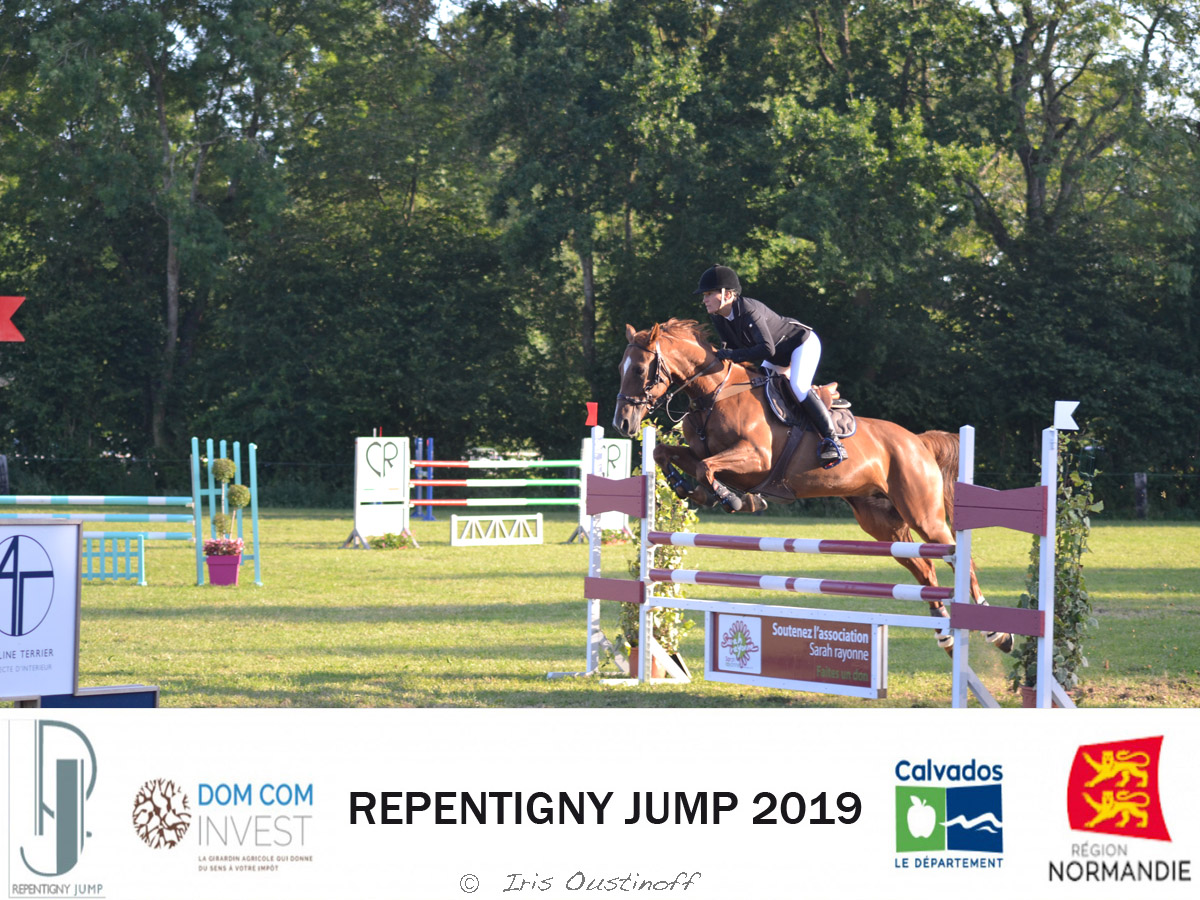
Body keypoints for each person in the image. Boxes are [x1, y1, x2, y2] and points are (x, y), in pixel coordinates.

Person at [695, 264, 846, 467]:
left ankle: (833, 441)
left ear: (727, 294)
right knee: (760, 388)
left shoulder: (749, 310)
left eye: (709, 294)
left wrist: (731, 355)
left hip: (800, 344)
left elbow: (767, 349)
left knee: (798, 387)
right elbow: (731, 349)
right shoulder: (719, 317)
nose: (704, 299)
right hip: (778, 356)